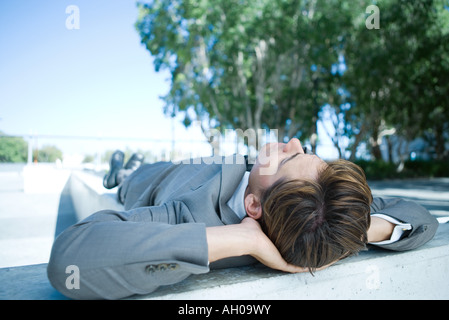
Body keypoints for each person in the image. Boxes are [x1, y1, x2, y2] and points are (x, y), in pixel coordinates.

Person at [47, 138, 439, 299]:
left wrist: (242, 240)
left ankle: (124, 169)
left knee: (130, 174)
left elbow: (71, 259)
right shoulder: (322, 206)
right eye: (304, 152)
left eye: (287, 157)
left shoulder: (188, 215)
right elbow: (419, 220)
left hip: (154, 178)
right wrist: (352, 232)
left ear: (253, 209)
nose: (294, 143)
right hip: (199, 160)